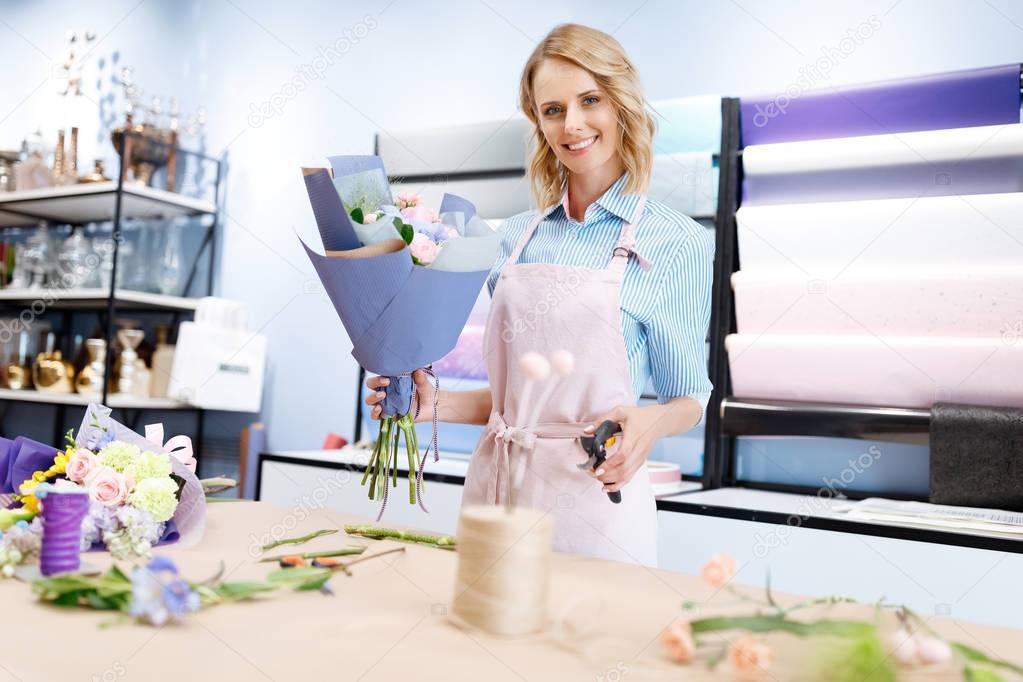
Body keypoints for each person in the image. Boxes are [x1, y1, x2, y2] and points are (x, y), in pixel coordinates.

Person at [366, 23, 713, 567]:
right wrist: (437, 404)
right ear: (539, 122)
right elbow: (522, 402)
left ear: (621, 104)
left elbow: (691, 397)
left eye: (590, 100)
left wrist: (650, 424)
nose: (572, 125)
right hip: (497, 494)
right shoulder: (509, 238)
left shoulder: (677, 243)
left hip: (596, 504)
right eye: (552, 110)